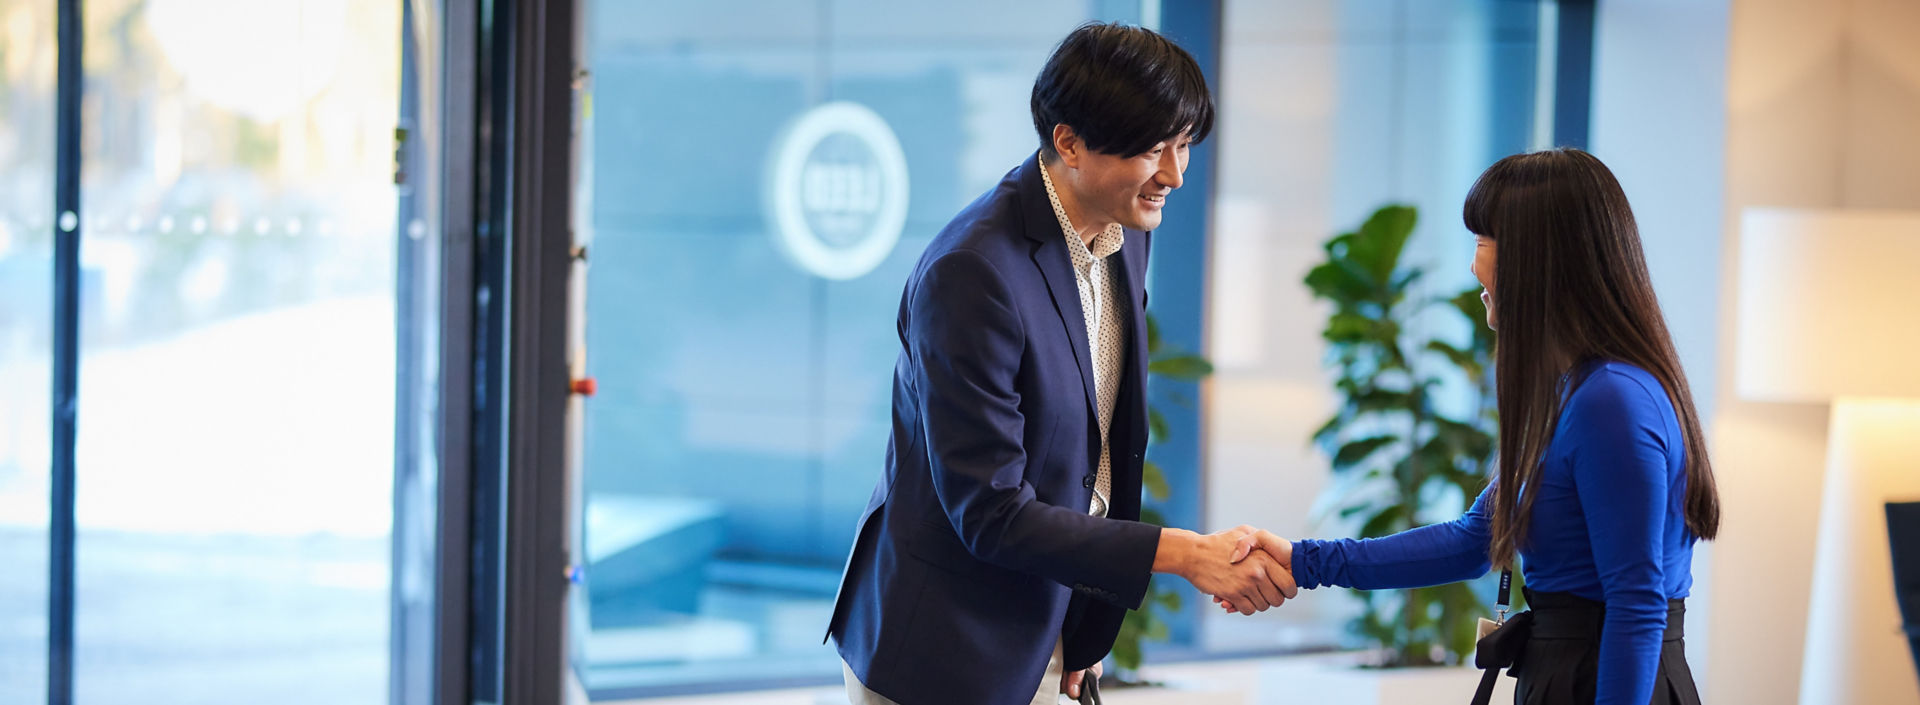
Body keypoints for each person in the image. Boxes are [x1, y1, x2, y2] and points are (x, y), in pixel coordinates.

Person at [825, 22, 1297, 705]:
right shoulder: (972, 272)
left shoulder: (1124, 227)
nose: (1174, 173)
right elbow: (990, 510)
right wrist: (1187, 554)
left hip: (1048, 620)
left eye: (1185, 143)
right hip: (945, 644)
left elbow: (1088, 453)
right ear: (1069, 142)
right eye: (1151, 148)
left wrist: (1081, 628)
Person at [1228, 148, 1717, 705]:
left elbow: (1636, 604)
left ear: (1541, 259)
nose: (1473, 265)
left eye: (1485, 242)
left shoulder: (1612, 399)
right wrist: (1304, 560)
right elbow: (1472, 539)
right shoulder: (1577, 391)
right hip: (1569, 673)